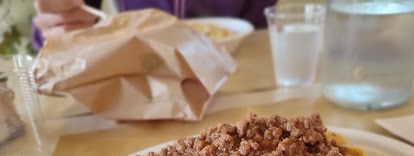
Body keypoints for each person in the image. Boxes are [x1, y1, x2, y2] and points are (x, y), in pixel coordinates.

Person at [32, 0, 276, 51]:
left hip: (238, 75)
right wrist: (58, 28)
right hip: (140, 77)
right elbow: (60, 24)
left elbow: (257, 32)